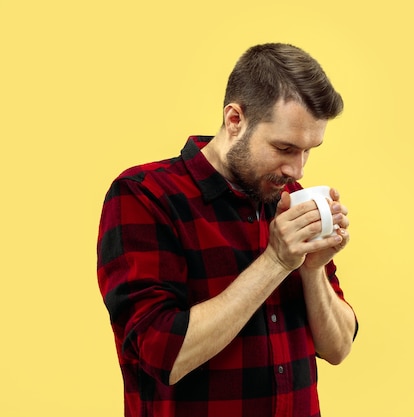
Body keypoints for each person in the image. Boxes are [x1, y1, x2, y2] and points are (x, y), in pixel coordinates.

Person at [97, 43, 357, 417]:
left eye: (308, 150)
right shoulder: (144, 195)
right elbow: (162, 356)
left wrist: (312, 268)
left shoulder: (291, 200)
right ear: (235, 120)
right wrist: (276, 261)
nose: (296, 171)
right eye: (284, 147)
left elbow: (339, 348)